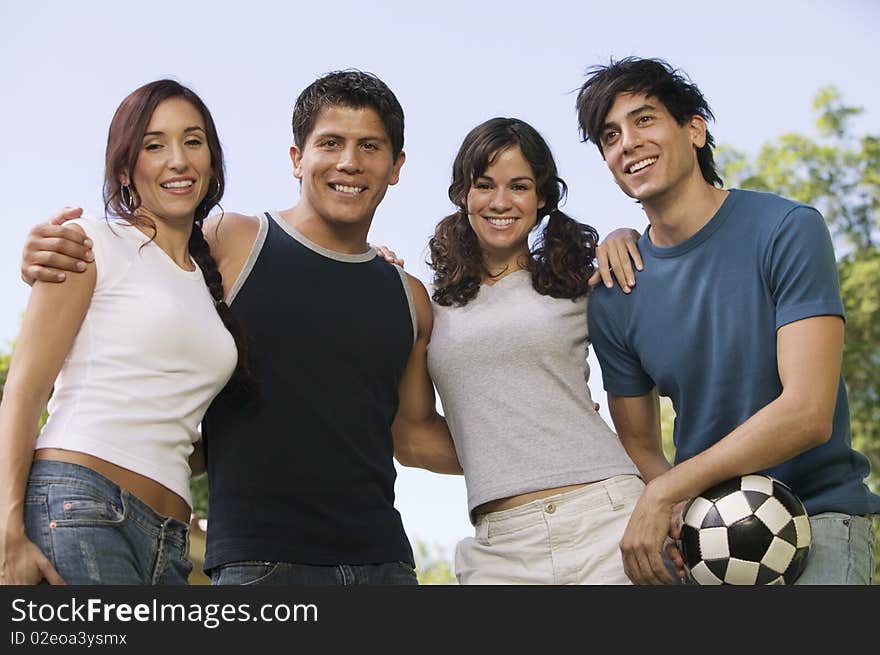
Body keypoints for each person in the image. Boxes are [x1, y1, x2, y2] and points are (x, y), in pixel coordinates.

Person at [19, 70, 460, 586]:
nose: (349, 162)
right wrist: (49, 252)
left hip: (384, 566)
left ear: (396, 166)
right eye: (331, 143)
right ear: (297, 159)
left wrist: (547, 449)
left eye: (370, 146)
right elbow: (139, 262)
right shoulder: (232, 241)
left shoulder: (408, 297)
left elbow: (413, 437)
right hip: (257, 563)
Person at [575, 56, 880, 584]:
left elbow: (808, 412)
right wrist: (679, 510)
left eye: (644, 120)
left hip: (820, 516)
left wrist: (668, 490)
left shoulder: (787, 230)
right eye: (609, 136)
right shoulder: (615, 294)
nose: (627, 142)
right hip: (709, 539)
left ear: (695, 129)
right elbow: (641, 444)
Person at [0, 79, 248, 585]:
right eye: (154, 146)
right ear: (125, 170)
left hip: (171, 543)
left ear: (212, 159)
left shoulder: (210, 285)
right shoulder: (88, 243)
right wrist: (6, 537)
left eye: (193, 141)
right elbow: (24, 393)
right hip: (79, 507)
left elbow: (175, 429)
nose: (178, 160)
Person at [425, 117, 645, 584]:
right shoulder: (429, 306)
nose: (501, 202)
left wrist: (626, 233)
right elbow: (410, 437)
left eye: (519, 186)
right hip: (500, 547)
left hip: (606, 516)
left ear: (542, 197)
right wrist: (502, 447)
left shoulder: (580, 284)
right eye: (484, 185)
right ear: (464, 193)